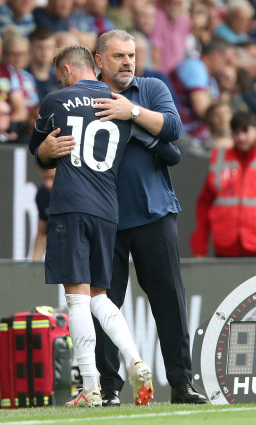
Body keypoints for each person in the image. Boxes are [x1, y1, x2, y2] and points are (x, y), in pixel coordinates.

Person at [29, 44, 182, 407]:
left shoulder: (57, 100)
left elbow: (39, 151)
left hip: (70, 206)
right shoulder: (119, 106)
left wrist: (45, 152)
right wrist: (132, 113)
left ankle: (91, 386)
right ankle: (135, 359)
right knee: (99, 296)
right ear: (94, 63)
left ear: (66, 70)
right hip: (107, 211)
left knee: (77, 298)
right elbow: (172, 150)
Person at [90, 29, 206, 406]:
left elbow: (174, 129)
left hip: (155, 212)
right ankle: (108, 389)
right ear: (99, 60)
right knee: (105, 305)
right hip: (104, 217)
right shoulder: (86, 95)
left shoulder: (152, 88)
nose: (127, 62)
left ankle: (182, 383)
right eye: (119, 56)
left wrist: (131, 111)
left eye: (131, 55)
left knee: (170, 301)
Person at [191, 111, 256, 258]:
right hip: (225, 247)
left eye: (245, 131)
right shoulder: (219, 159)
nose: (241, 137)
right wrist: (199, 248)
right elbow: (204, 205)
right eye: (236, 132)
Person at [32, 168, 56, 261]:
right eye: (45, 178)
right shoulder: (43, 195)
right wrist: (33, 265)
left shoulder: (79, 196)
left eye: (52, 178)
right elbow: (43, 233)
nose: (48, 184)